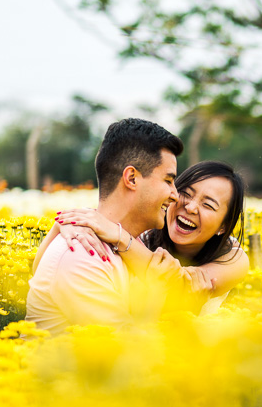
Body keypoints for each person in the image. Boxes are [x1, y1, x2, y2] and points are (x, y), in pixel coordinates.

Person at [26, 117, 185, 335]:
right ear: (132, 178)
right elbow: (129, 353)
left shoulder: (131, 242)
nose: (175, 195)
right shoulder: (80, 253)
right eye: (168, 181)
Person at [41, 159, 249, 320]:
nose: (191, 207)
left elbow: (178, 282)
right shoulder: (145, 232)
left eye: (208, 205)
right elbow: (40, 274)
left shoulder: (233, 258)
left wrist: (120, 237)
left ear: (224, 225)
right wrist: (61, 224)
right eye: (186, 193)